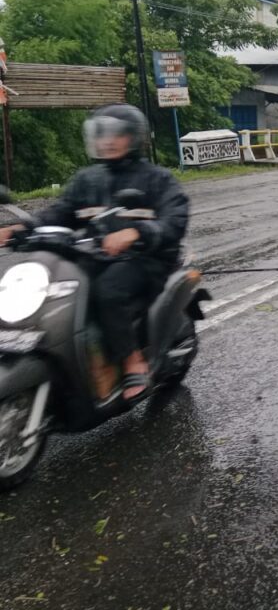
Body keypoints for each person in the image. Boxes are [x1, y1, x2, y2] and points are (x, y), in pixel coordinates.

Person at [0, 104, 189, 401]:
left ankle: (131, 360)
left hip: (146, 259)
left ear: (135, 138)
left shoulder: (156, 178)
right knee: (51, 287)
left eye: (117, 135)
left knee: (107, 291)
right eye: (101, 134)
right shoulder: (88, 179)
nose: (108, 141)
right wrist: (19, 230)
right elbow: (59, 213)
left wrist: (136, 232)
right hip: (97, 255)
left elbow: (175, 219)